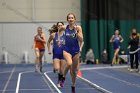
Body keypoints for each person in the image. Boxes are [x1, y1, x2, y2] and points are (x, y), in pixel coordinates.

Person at [61, 13, 83, 93]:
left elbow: (81, 40)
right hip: (66, 50)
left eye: (72, 18)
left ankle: (73, 85)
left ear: (74, 19)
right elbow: (59, 31)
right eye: (69, 18)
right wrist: (60, 40)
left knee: (73, 72)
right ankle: (63, 77)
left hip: (76, 51)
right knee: (69, 63)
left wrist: (76, 32)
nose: (70, 19)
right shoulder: (64, 27)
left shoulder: (78, 27)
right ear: (67, 20)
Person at [47, 22, 66, 87]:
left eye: (61, 25)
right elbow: (48, 42)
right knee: (57, 68)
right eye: (59, 25)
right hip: (56, 54)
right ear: (57, 27)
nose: (60, 26)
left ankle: (59, 81)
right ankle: (55, 69)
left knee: (62, 71)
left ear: (63, 26)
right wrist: (49, 50)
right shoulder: (53, 35)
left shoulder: (66, 35)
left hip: (63, 54)